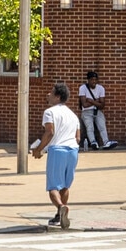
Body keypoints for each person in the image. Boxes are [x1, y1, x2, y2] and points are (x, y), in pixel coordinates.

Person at [33, 83, 82, 229]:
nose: (48, 94)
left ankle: (61, 206)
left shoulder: (50, 112)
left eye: (51, 92)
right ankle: (59, 214)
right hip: (73, 150)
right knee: (65, 186)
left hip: (58, 150)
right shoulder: (73, 115)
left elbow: (50, 132)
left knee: (53, 186)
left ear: (58, 96)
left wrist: (39, 149)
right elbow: (78, 137)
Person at [77, 70, 114, 149]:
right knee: (90, 127)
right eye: (92, 80)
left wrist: (91, 100)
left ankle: (106, 142)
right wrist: (97, 101)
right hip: (86, 111)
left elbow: (102, 105)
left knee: (102, 126)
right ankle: (93, 142)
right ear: (88, 80)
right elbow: (84, 105)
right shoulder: (83, 88)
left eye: (95, 79)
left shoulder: (101, 88)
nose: (94, 81)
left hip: (97, 110)